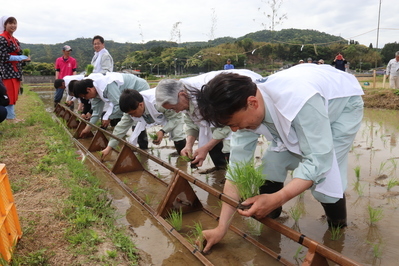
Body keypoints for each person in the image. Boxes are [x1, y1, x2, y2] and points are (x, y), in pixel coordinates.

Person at [195, 63, 364, 253]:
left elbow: (318, 160)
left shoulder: (298, 99)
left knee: (326, 177)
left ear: (253, 103)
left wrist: (279, 198)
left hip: (342, 107)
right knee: (272, 164)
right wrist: (221, 228)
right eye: (230, 126)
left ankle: (337, 229)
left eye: (235, 124)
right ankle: (269, 215)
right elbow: (236, 171)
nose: (234, 130)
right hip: (302, 103)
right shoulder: (245, 111)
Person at [155, 69, 262, 173]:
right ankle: (223, 172)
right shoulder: (185, 97)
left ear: (182, 95)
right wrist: (188, 145)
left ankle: (236, 179)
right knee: (215, 138)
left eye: (174, 108)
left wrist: (206, 147)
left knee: (235, 147)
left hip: (244, 96)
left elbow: (226, 126)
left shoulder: (205, 95)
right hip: (226, 110)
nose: (177, 112)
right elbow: (191, 123)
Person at [101, 88, 186, 159]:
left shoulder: (159, 102)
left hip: (174, 111)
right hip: (156, 113)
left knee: (177, 133)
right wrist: (109, 148)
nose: (132, 116)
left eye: (133, 113)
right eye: (130, 114)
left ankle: (183, 159)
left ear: (141, 105)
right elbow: (120, 128)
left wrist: (162, 131)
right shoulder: (132, 108)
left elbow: (176, 118)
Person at [73, 73, 150, 138]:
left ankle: (142, 148)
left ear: (89, 90)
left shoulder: (106, 86)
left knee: (138, 119)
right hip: (126, 96)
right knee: (130, 118)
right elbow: (96, 113)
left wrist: (109, 117)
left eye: (84, 96)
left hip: (138, 88)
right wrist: (87, 128)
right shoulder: (96, 94)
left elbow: (118, 105)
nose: (86, 98)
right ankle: (130, 142)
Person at [0, 16, 30, 122]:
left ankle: (12, 116)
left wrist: (24, 58)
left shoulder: (15, 40)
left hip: (15, 70)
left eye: (15, 23)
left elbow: (19, 53)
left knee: (14, 94)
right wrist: (19, 58)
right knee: (9, 94)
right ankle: (10, 118)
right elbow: (2, 56)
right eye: (10, 23)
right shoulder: (2, 38)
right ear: (4, 24)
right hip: (7, 71)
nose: (13, 25)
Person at [55, 45, 78, 110]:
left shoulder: (73, 60)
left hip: (69, 82)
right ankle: (56, 109)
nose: (69, 52)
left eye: (70, 51)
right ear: (63, 51)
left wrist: (74, 80)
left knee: (71, 96)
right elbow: (57, 70)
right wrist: (57, 80)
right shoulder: (58, 60)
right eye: (67, 51)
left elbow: (74, 71)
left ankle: (71, 112)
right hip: (61, 81)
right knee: (57, 96)